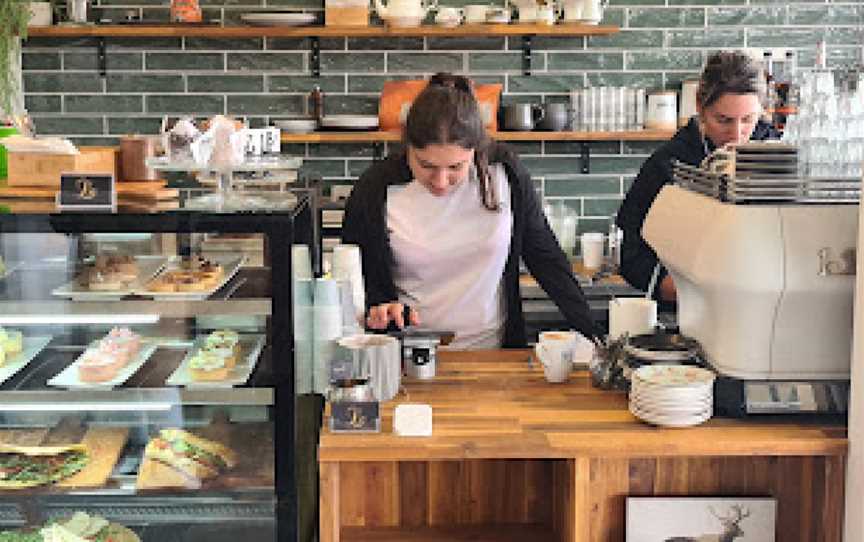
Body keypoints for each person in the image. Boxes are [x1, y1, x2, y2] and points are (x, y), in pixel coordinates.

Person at [341, 73, 599, 349]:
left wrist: (593, 334)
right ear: (407, 149)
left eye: (455, 167)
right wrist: (378, 308)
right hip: (407, 358)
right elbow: (352, 281)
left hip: (494, 355)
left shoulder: (506, 174)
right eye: (426, 165)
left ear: (476, 151)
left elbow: (546, 260)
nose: (441, 182)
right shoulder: (375, 189)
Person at [616, 51, 779, 302]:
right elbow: (632, 256)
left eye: (748, 120)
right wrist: (686, 292)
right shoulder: (668, 163)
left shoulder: (778, 155)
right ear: (700, 107)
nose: (737, 134)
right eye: (723, 120)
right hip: (691, 312)